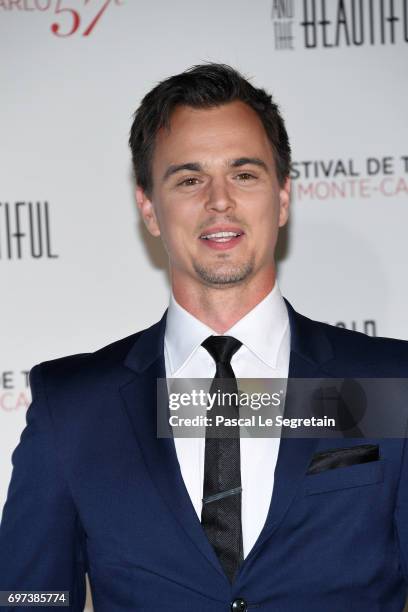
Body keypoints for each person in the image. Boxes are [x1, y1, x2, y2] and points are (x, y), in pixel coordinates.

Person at [0, 63, 408, 612]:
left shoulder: (387, 383)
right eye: (189, 179)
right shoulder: (73, 405)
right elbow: (29, 600)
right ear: (149, 207)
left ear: (283, 197)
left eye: (244, 174)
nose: (220, 200)